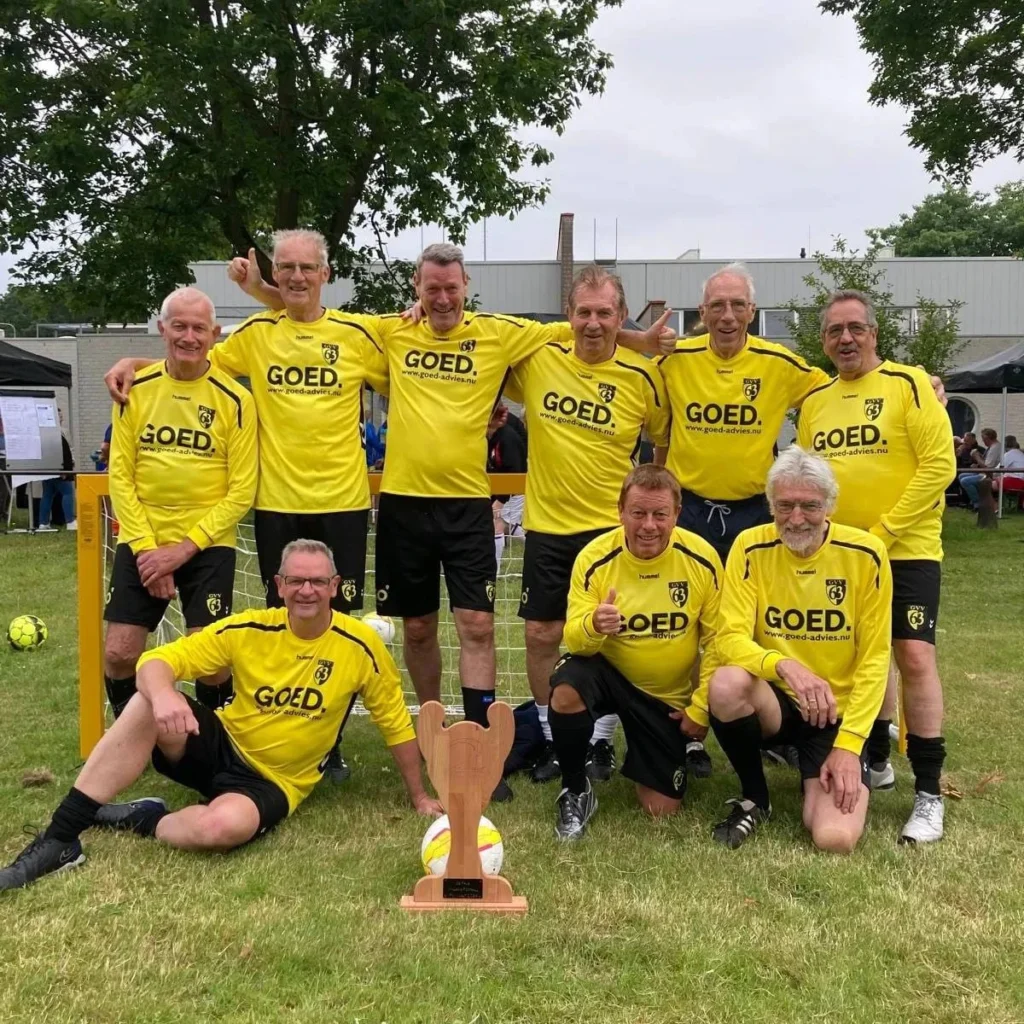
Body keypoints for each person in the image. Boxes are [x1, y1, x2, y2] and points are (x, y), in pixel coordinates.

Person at [234, 242, 672, 802]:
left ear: (467, 288)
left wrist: (637, 340)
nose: (441, 298)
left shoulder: (499, 334)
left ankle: (481, 746)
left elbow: (584, 330)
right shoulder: (389, 331)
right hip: (402, 504)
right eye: (431, 288)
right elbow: (310, 311)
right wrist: (259, 290)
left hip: (468, 505)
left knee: (478, 627)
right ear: (416, 290)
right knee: (417, 629)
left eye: (451, 288)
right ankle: (434, 736)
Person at [105, 230, 389, 782]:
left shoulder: (358, 333)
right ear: (275, 273)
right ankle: (252, 736)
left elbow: (413, 373)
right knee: (281, 628)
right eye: (287, 267)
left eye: (307, 267)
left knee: (337, 629)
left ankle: (326, 745)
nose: (297, 277)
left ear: (326, 273)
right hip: (276, 504)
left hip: (344, 504)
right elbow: (193, 357)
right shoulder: (256, 335)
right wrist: (131, 361)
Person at [0, 539, 441, 892]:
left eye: (317, 581)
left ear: (335, 586)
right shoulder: (250, 628)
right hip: (220, 744)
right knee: (147, 699)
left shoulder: (361, 645)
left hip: (275, 782)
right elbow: (156, 662)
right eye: (296, 580)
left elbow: (394, 721)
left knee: (221, 829)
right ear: (279, 585)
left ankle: (143, 817)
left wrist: (419, 796)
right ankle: (61, 838)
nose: (306, 590)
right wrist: (165, 696)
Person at [503, 265, 675, 787]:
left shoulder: (644, 376)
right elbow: (486, 346)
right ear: (568, 315)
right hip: (548, 527)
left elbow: (662, 442)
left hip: (610, 533)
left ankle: (599, 739)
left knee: (610, 636)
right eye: (583, 313)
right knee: (541, 634)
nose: (593, 324)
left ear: (621, 316)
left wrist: (648, 506)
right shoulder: (539, 360)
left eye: (605, 313)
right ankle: (552, 739)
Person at [797, 289, 955, 844]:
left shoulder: (909, 384)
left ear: (874, 333)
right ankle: (878, 759)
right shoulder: (815, 403)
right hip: (841, 552)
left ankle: (929, 793)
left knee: (913, 655)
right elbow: (810, 480)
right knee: (864, 654)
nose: (846, 339)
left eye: (855, 328)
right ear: (823, 341)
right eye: (834, 331)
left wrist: (883, 534)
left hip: (907, 549)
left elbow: (940, 465)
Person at [708, 446, 892, 853]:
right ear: (770, 504)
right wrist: (784, 666)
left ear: (830, 505)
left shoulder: (867, 553)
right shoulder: (749, 546)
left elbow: (876, 658)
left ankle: (830, 770)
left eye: (809, 506)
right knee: (725, 684)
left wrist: (849, 745)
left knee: (834, 838)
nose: (795, 518)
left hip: (834, 714)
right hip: (778, 703)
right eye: (785, 506)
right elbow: (729, 638)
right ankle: (756, 797)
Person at [103, 287, 258, 718]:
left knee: (209, 660)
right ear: (162, 329)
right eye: (179, 326)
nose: (189, 337)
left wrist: (182, 551)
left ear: (215, 334)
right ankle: (135, 736)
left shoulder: (236, 400)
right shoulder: (134, 390)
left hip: (206, 543)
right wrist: (148, 550)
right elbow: (121, 476)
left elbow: (242, 490)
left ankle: (215, 740)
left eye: (199, 328)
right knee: (119, 652)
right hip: (145, 541)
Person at [547, 464, 722, 840]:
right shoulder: (594, 558)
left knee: (661, 809)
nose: (649, 525)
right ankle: (575, 789)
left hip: (663, 698)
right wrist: (594, 624)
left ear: (677, 513)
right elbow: (574, 641)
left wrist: (701, 706)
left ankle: (647, 752)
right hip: (608, 675)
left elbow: (717, 642)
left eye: (660, 514)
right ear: (620, 511)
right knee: (566, 687)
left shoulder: (703, 558)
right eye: (638, 513)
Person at [652, 264, 831, 561]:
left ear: (751, 311)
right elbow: (630, 377)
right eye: (717, 306)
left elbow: (835, 394)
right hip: (686, 509)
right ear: (703, 312)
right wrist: (642, 341)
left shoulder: (778, 363)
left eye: (737, 305)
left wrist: (914, 379)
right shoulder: (674, 360)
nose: (728, 316)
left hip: (756, 510)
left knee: (753, 589)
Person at [37, 410, 77, 531]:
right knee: (68, 493)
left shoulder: (44, 434)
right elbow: (64, 453)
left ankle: (43, 523)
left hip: (48, 469)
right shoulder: (57, 435)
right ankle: (70, 521)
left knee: (47, 495)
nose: (61, 418)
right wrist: (65, 469)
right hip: (60, 470)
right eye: (59, 416)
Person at [959, 428, 1003, 510]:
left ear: (987, 438)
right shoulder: (991, 447)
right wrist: (978, 463)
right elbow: (986, 462)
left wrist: (977, 457)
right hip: (986, 473)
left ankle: (978, 503)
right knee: (961, 475)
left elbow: (987, 468)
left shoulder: (994, 448)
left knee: (965, 481)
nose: (983, 441)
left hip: (991, 475)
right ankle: (972, 500)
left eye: (983, 439)